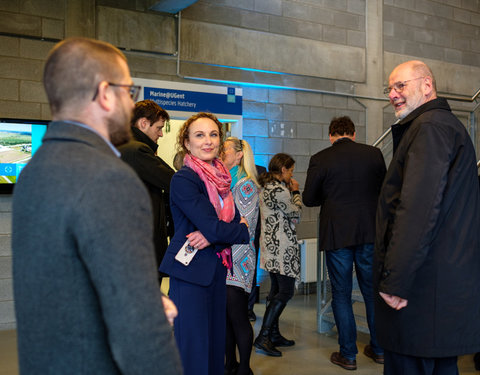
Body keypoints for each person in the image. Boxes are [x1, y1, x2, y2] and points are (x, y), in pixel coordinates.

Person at [12, 37, 182, 374]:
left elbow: (67, 280)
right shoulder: (108, 177)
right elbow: (139, 330)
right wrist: (143, 306)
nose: (129, 104)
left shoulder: (34, 169)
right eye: (128, 92)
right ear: (105, 93)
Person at [375, 60, 480, 375]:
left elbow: (419, 207)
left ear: (427, 85)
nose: (393, 94)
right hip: (431, 287)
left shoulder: (430, 127)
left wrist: (395, 280)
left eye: (400, 86)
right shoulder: (435, 126)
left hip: (419, 291)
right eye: (390, 88)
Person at [159, 113, 250, 375]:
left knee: (214, 346)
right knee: (193, 349)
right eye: (199, 135)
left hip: (216, 268)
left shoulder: (221, 180)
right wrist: (237, 230)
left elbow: (217, 227)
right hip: (190, 274)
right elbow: (221, 225)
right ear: (187, 143)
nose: (207, 141)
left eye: (213, 134)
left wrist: (214, 234)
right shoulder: (185, 179)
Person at [302, 116, 386, 371]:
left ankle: (348, 355)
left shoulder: (320, 158)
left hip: (337, 234)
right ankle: (380, 349)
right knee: (372, 293)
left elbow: (308, 199)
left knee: (341, 294)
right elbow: (385, 190)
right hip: (370, 233)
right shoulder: (374, 155)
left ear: (331, 135)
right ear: (353, 133)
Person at [118, 99, 175, 283]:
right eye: (158, 128)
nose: (160, 134)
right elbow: (173, 181)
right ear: (143, 123)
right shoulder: (138, 150)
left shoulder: (122, 145)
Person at [253, 153, 302, 357]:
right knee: (285, 292)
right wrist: (296, 192)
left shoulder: (266, 187)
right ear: (283, 170)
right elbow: (296, 214)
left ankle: (273, 334)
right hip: (281, 249)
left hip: (271, 248)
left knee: (276, 290)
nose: (291, 174)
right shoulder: (279, 190)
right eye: (290, 170)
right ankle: (264, 336)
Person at [221, 137, 260, 375]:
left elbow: (242, 227)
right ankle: (229, 365)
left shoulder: (245, 185)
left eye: (225, 149)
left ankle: (244, 368)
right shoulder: (225, 184)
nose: (220, 152)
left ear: (239, 156)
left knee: (238, 318)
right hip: (225, 257)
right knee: (225, 318)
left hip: (238, 258)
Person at [247, 164, 267, 322]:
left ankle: (248, 308)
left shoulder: (259, 171)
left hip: (254, 228)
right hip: (231, 227)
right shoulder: (222, 169)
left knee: (251, 268)